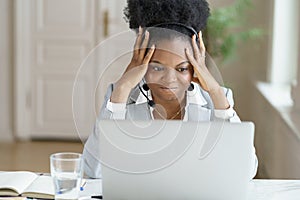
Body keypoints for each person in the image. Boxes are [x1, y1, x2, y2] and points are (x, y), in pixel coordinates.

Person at [83, 0, 257, 178]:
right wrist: (123, 88)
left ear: (195, 67)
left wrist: (216, 92)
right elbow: (94, 170)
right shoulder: (121, 97)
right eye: (157, 67)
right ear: (141, 62)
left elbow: (245, 170)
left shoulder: (217, 99)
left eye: (181, 68)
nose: (169, 79)